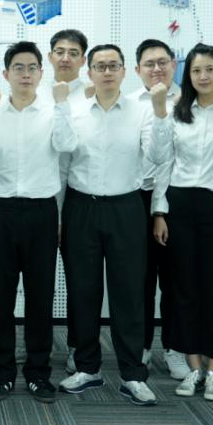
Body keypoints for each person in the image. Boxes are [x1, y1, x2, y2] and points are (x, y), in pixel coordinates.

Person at [0, 41, 76, 403]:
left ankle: (38, 373)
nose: (26, 74)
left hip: (41, 213)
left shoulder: (52, 111)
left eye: (32, 67)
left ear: (41, 73)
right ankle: (1, 374)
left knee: (40, 298)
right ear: (5, 73)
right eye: (18, 67)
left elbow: (67, 145)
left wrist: (62, 105)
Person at [149, 44, 213, 402]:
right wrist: (160, 212)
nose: (203, 76)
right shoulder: (179, 111)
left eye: (210, 69)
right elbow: (160, 158)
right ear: (187, 75)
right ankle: (194, 368)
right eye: (196, 71)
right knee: (185, 288)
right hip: (181, 203)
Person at [59, 44, 158, 406]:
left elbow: (158, 156)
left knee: (129, 294)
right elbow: (62, 165)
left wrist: (162, 115)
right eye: (100, 66)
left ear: (124, 71)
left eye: (113, 65)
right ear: (89, 72)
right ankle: (87, 368)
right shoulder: (73, 110)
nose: (107, 72)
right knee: (82, 291)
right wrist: (58, 215)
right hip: (80, 207)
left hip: (126, 208)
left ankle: (133, 375)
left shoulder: (142, 111)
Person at [131, 39, 187, 381]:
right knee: (139, 281)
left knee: (175, 281)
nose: (156, 69)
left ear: (174, 64)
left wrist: (162, 210)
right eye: (149, 63)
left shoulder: (190, 102)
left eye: (163, 62)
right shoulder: (128, 104)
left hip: (177, 200)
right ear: (137, 69)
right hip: (138, 198)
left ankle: (174, 348)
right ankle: (141, 346)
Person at [50, 27, 90, 372]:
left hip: (75, 201)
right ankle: (35, 346)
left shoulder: (91, 96)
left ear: (83, 59)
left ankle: (79, 346)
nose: (65, 58)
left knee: (79, 281)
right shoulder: (35, 92)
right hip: (37, 200)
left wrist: (63, 214)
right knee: (36, 281)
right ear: (50, 56)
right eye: (60, 51)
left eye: (73, 53)